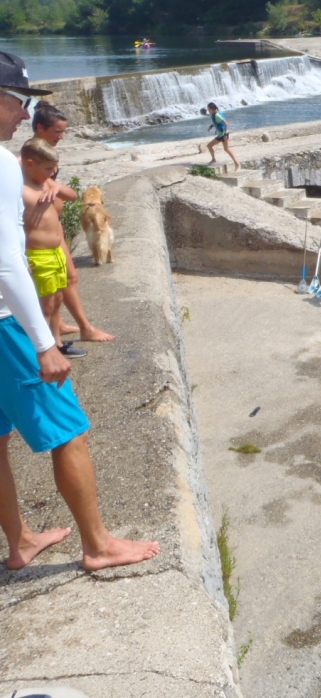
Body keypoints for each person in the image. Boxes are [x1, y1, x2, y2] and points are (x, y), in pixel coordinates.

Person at [0, 51, 160, 570]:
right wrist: (45, 342)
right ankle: (98, 545)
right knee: (68, 430)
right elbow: (6, 262)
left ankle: (20, 541)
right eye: (19, 101)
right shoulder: (1, 164)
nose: (26, 114)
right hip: (5, 325)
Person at [31, 103, 115, 344]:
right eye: (57, 131)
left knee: (68, 279)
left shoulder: (45, 153)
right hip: (41, 228)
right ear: (40, 128)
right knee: (61, 283)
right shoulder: (29, 157)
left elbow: (63, 192)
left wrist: (56, 188)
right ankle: (82, 329)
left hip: (54, 224)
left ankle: (62, 325)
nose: (61, 136)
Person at [20, 138, 84, 359]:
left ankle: (56, 344)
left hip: (55, 252)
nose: (52, 173)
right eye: (48, 169)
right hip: (39, 256)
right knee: (45, 306)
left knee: (56, 301)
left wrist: (56, 187)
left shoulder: (45, 182)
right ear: (29, 164)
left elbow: (73, 195)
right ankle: (40, 352)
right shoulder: (21, 189)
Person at [205, 102, 239, 172]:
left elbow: (226, 123)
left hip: (223, 135)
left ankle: (237, 163)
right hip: (220, 135)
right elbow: (216, 122)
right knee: (210, 146)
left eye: (209, 109)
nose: (208, 111)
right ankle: (213, 159)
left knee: (226, 149)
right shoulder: (215, 114)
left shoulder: (217, 115)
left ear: (212, 109)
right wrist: (211, 126)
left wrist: (225, 134)